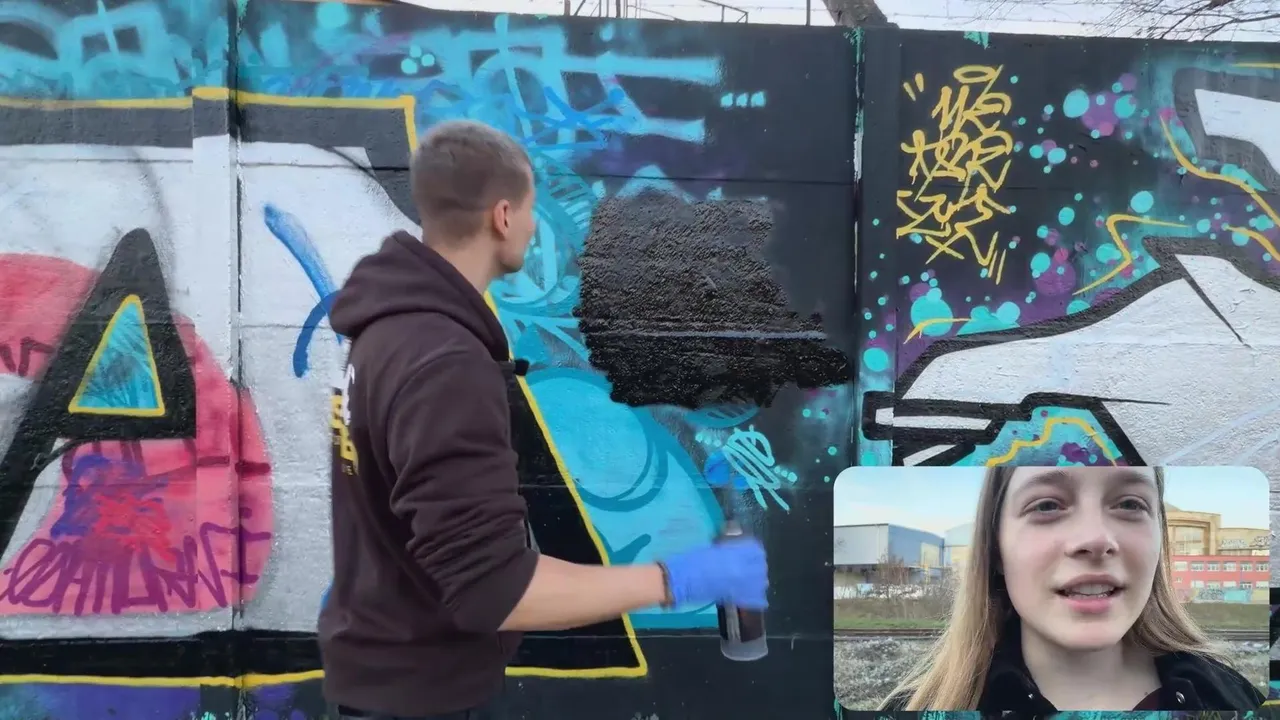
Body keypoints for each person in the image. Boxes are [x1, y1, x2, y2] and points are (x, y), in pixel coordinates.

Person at [318, 119, 769, 720]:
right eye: (530, 210)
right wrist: (678, 579)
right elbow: (494, 590)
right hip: (416, 699)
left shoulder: (387, 333)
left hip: (391, 679)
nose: (533, 227)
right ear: (503, 216)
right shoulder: (445, 361)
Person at [881, 466, 1264, 712]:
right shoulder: (914, 708)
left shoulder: (1237, 698)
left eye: (1130, 503)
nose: (1095, 539)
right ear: (995, 548)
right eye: (1047, 505)